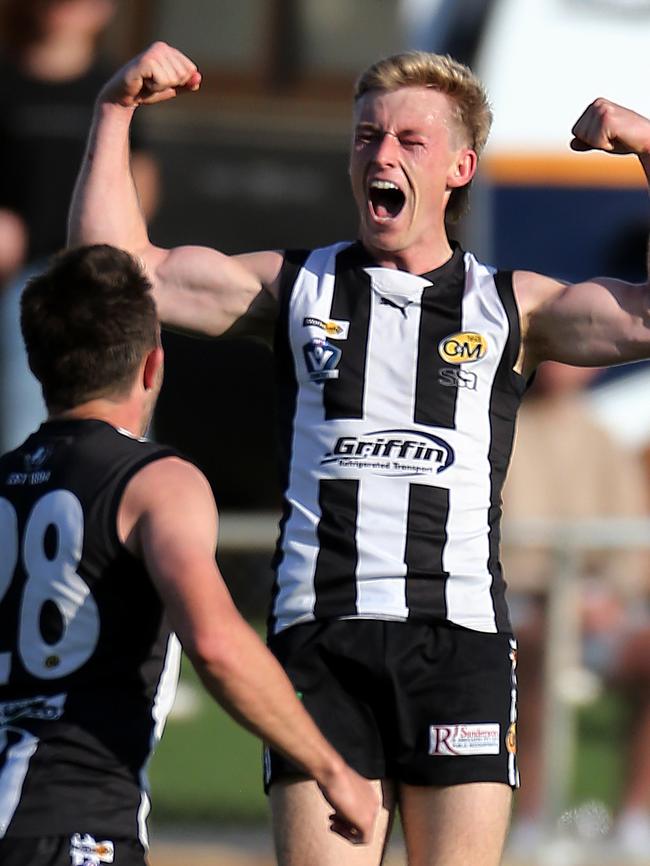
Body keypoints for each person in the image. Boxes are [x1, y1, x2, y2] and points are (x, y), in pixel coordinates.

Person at [67, 41, 650, 866]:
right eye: (366, 136)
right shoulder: (296, 287)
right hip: (322, 642)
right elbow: (116, 276)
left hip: (459, 644)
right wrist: (115, 110)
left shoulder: (511, 305)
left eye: (409, 142)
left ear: (460, 166)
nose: (380, 154)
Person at [0, 244, 378, 866]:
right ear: (153, 366)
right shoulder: (155, 481)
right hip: (74, 826)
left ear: (39, 366)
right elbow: (216, 644)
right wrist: (331, 769)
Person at [502, 361, 650, 859]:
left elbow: (630, 541)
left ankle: (634, 819)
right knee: (538, 662)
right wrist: (563, 596)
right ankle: (536, 819)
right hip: (524, 607)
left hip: (596, 608)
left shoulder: (603, 437)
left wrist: (609, 594)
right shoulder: (502, 429)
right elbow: (502, 546)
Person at [0, 0, 159, 453]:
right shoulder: (7, 82)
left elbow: (142, 172)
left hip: (103, 284)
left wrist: (129, 248)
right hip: (29, 285)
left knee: (122, 435)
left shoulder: (111, 84)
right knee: (28, 434)